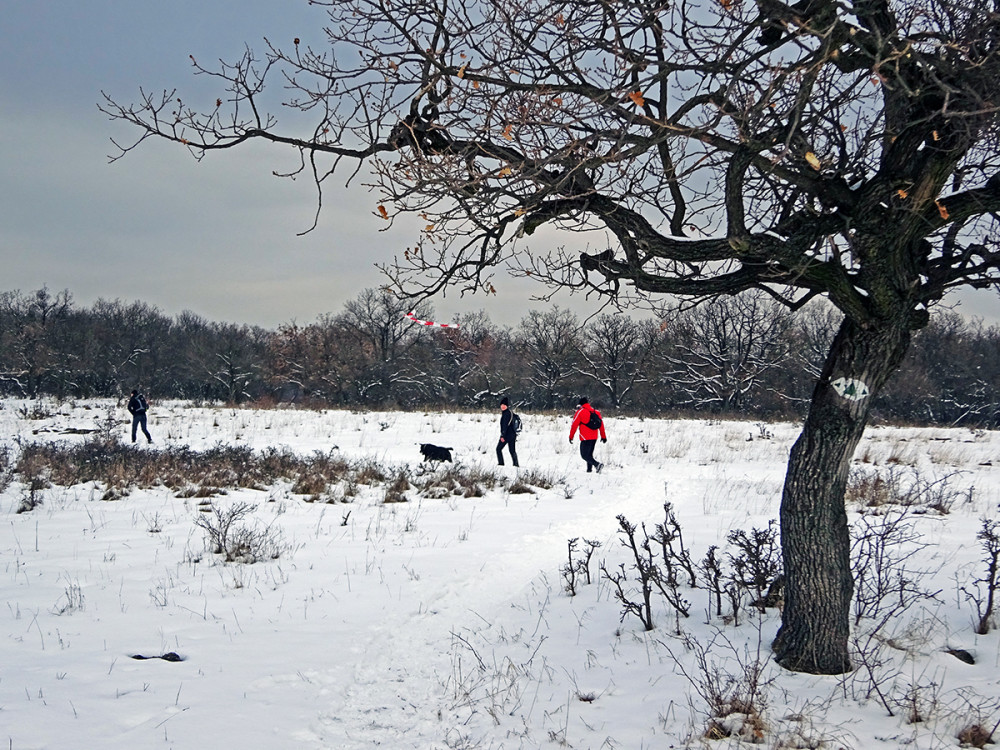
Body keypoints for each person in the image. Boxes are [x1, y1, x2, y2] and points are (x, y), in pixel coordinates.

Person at [569, 397, 606, 473]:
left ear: (581, 404)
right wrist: (603, 436)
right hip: (594, 436)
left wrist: (571, 436)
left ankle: (597, 465)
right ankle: (589, 470)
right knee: (589, 454)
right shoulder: (596, 412)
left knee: (584, 455)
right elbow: (601, 425)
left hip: (585, 437)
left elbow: (574, 425)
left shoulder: (580, 412)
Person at [496, 396, 519, 467]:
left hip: (507, 435)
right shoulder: (510, 412)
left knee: (498, 449)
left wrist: (502, 436)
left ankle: (501, 464)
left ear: (507, 406)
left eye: (504, 405)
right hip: (513, 435)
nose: (502, 407)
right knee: (512, 450)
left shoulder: (506, 414)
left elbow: (505, 426)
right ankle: (516, 464)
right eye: (501, 405)